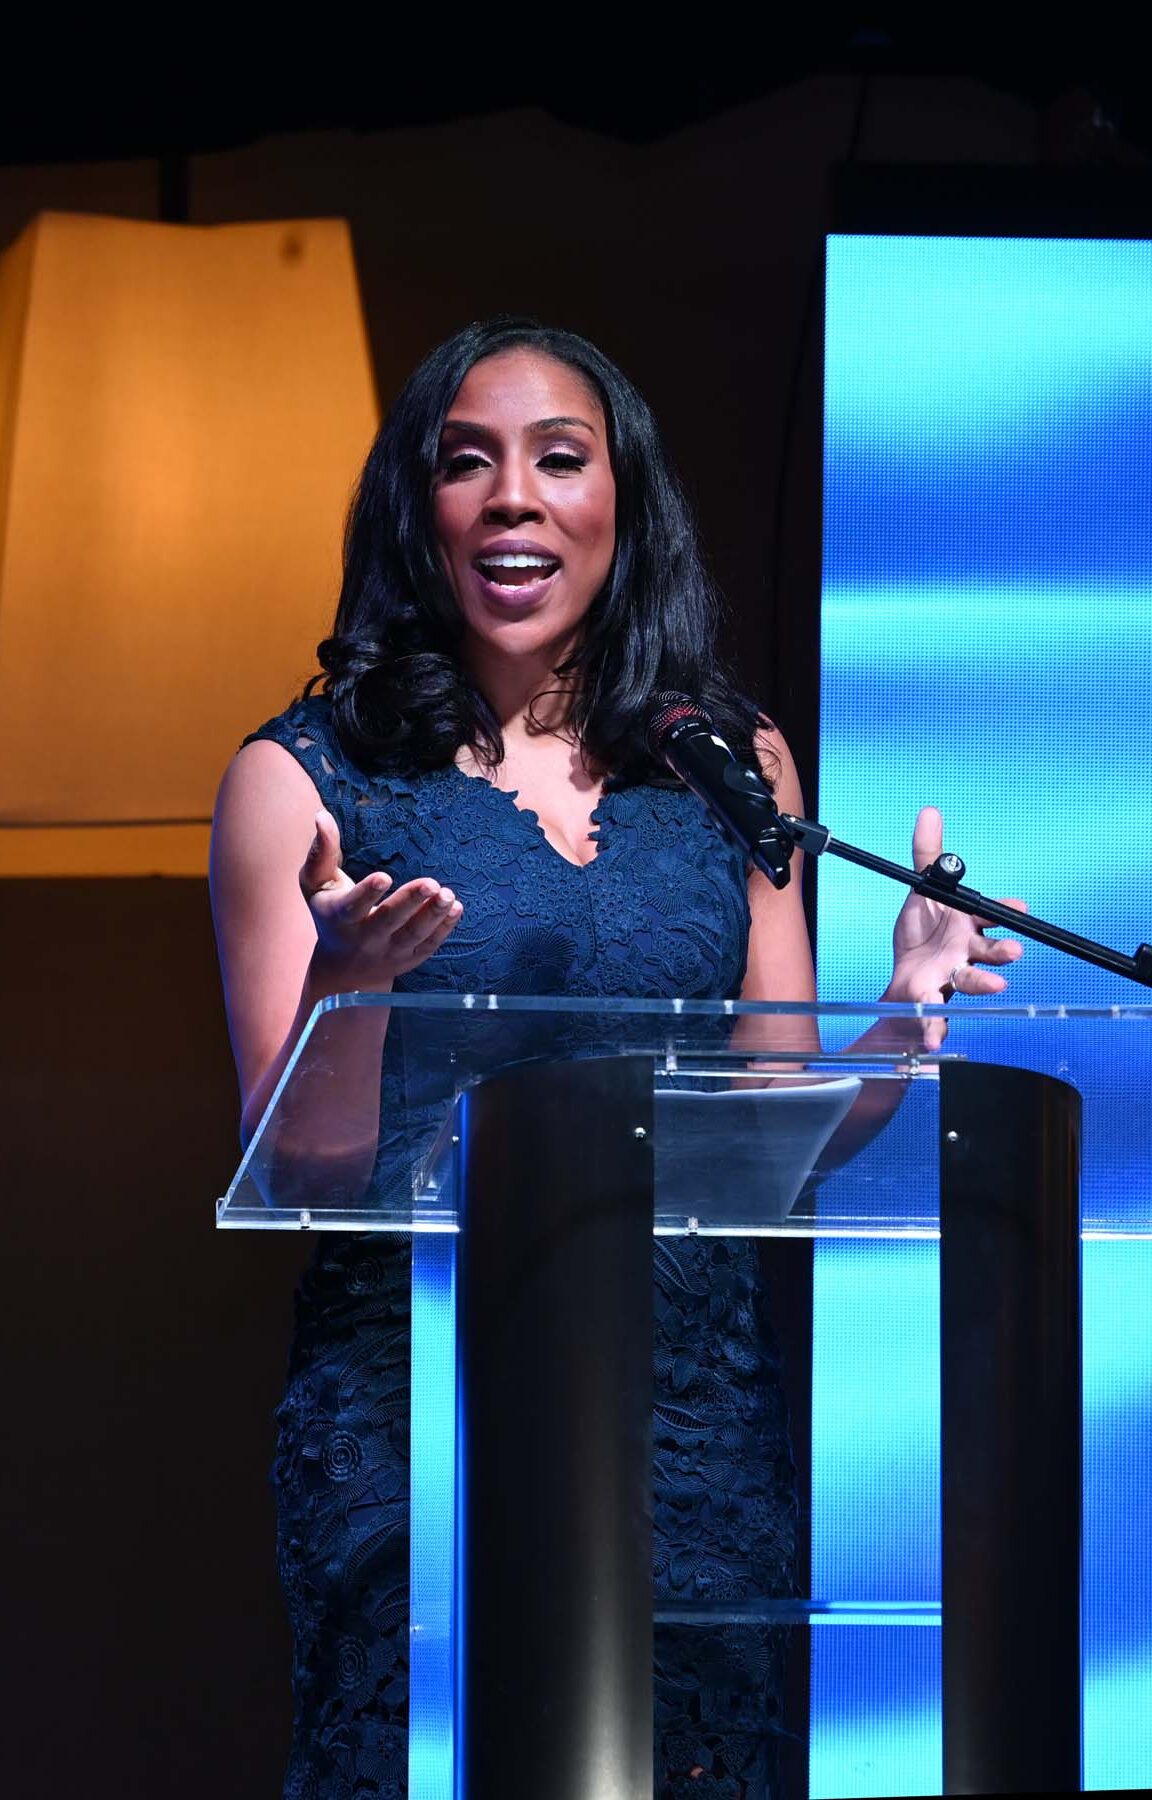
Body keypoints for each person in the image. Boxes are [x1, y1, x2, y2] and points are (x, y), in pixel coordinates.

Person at [210, 317, 1023, 1799]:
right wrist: (352, 987)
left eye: (560, 459)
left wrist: (901, 1022)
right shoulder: (304, 781)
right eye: (468, 463)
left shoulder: (731, 764)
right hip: (424, 1411)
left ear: (623, 504)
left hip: (693, 1418)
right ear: (417, 510)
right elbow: (306, 1172)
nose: (513, 497)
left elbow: (772, 1120)